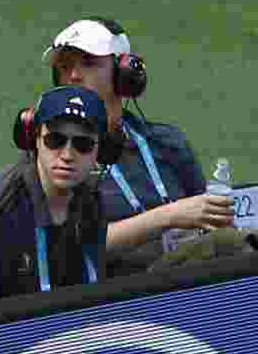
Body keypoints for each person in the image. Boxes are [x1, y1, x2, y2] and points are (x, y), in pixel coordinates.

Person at [44, 16, 235, 276]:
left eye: (88, 64)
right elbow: (69, 248)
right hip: (115, 296)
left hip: (189, 280)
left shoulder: (167, 142)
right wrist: (169, 216)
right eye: (65, 67)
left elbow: (213, 223)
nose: (74, 75)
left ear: (125, 74)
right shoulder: (53, 153)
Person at [0, 86, 110, 299]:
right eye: (55, 140)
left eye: (83, 144)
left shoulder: (92, 202)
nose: (67, 155)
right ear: (34, 138)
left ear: (101, 150)